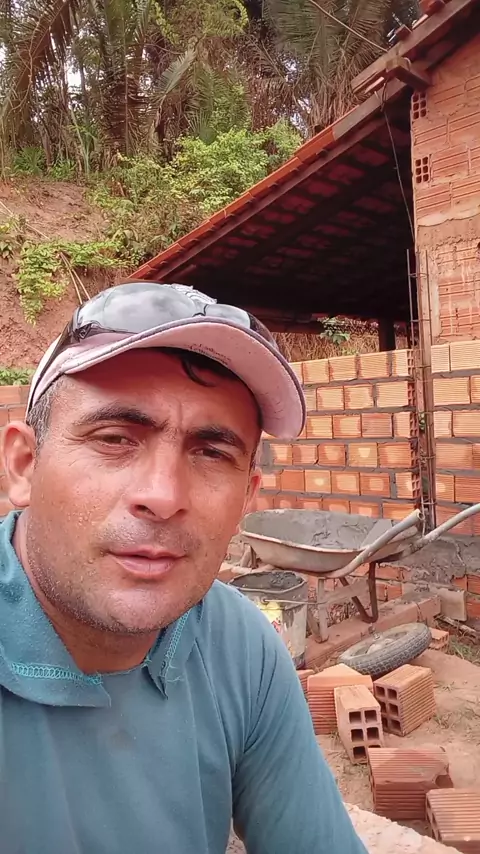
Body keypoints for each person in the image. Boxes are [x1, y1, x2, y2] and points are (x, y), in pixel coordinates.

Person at [0, 281, 367, 854]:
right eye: (115, 438)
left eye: (211, 452)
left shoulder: (241, 647)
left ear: (247, 497)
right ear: (24, 465)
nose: (164, 496)